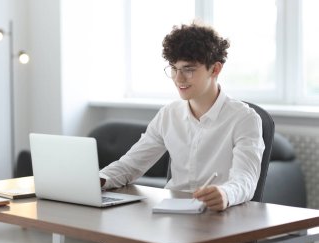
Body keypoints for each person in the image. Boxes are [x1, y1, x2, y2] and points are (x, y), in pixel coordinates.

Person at [99, 21, 264, 216]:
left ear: (215, 69)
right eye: (174, 69)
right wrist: (99, 180)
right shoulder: (169, 114)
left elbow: (245, 179)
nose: (178, 79)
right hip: (170, 216)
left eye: (189, 70)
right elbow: (131, 165)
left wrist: (225, 193)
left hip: (216, 218)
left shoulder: (244, 119)